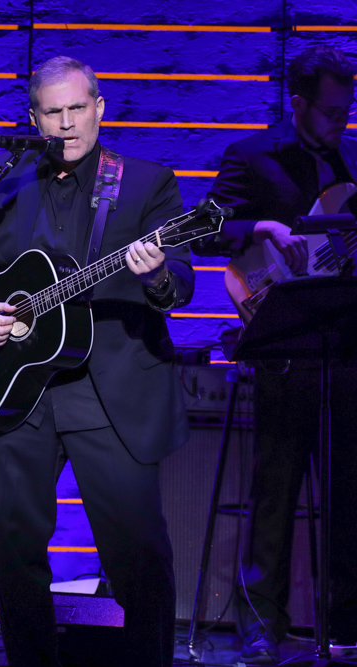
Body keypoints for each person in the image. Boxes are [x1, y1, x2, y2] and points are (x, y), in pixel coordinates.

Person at [0, 55, 194, 667]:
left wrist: (160, 273)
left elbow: (183, 287)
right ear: (33, 117)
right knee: (13, 553)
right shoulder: (5, 178)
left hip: (109, 393)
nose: (66, 125)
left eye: (77, 110)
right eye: (52, 113)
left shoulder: (145, 183)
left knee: (137, 557)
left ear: (99, 109)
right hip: (19, 392)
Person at [193, 45, 357, 664]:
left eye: (347, 110)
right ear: (299, 102)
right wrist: (261, 229)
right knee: (276, 487)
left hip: (343, 341)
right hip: (283, 340)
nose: (340, 123)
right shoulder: (252, 155)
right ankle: (262, 625)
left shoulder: (352, 160)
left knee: (349, 489)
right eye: (330, 112)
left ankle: (346, 622)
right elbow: (206, 229)